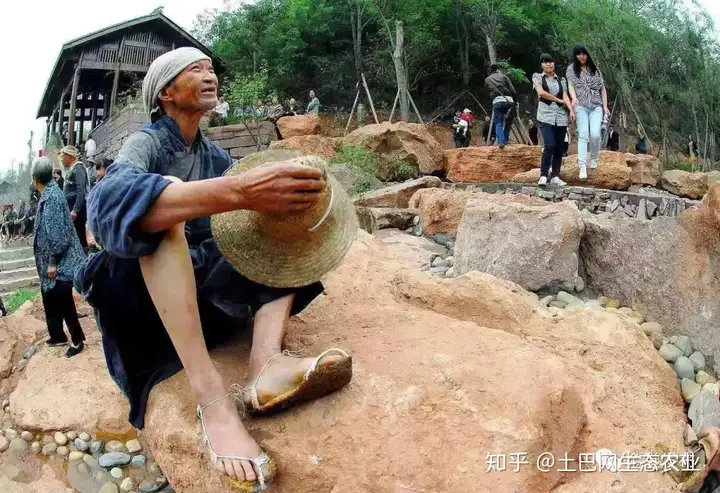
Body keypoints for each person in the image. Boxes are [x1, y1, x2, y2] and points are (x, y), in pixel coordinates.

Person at [74, 47, 352, 489]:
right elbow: (104, 207)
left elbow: (239, 226)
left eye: (210, 68)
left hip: (199, 296)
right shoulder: (145, 142)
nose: (210, 76)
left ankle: (266, 364)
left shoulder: (214, 156)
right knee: (161, 210)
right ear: (166, 93)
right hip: (141, 303)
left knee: (273, 229)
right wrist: (240, 191)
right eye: (195, 70)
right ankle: (212, 402)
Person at [31, 157, 86, 357]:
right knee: (49, 295)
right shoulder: (49, 192)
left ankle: (77, 339)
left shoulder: (52, 198)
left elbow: (59, 238)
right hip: (51, 260)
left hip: (61, 260)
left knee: (62, 297)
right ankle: (57, 335)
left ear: (35, 179)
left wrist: (53, 264)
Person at [566, 45, 609, 180]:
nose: (582, 56)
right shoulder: (571, 69)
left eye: (584, 53)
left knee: (595, 135)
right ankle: (582, 166)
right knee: (583, 134)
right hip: (581, 106)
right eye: (578, 54)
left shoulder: (595, 70)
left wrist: (605, 106)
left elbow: (602, 89)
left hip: (596, 106)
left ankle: (594, 158)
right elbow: (570, 86)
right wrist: (573, 99)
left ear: (588, 54)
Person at [532, 53, 575, 186]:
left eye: (550, 61)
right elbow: (541, 93)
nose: (548, 64)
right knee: (549, 145)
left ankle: (556, 176)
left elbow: (565, 96)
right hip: (546, 115)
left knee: (559, 147)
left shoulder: (561, 80)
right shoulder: (537, 77)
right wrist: (558, 100)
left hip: (561, 117)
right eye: (545, 62)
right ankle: (544, 175)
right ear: (541, 65)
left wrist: (571, 110)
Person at [59, 146, 88, 250]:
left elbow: (81, 190)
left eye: (63, 156)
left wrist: (75, 210)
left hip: (76, 209)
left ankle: (84, 261)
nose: (61, 159)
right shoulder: (71, 169)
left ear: (68, 156)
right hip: (70, 206)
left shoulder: (78, 168)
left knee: (80, 237)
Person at [485, 64, 517, 149]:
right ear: (498, 70)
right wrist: (515, 101)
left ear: (491, 71)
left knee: (498, 123)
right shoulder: (504, 76)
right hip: (509, 101)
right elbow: (513, 90)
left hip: (497, 101)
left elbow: (487, 92)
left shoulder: (487, 80)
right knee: (508, 122)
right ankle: (505, 141)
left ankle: (501, 142)